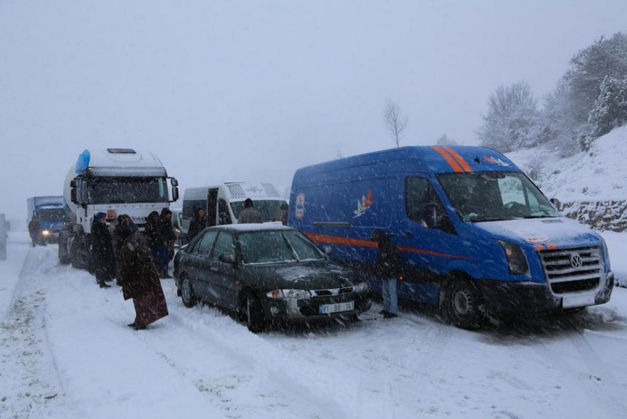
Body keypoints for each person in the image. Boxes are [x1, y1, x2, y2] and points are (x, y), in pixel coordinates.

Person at [117, 218, 169, 330]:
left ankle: (142, 320)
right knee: (146, 296)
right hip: (146, 271)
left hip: (139, 273)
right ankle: (141, 319)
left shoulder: (130, 242)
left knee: (140, 297)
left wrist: (122, 277)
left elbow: (128, 261)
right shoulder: (138, 236)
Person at [371, 229, 402, 319]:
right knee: (386, 292)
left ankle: (393, 311)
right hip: (386, 272)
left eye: (376, 239)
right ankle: (386, 308)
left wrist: (386, 269)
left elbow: (393, 260)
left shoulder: (388, 247)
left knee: (391, 292)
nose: (376, 241)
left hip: (390, 272)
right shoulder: (383, 246)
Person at [91, 212, 115, 288]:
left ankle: (103, 279)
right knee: (100, 265)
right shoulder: (97, 227)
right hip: (100, 250)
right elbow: (100, 238)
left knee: (103, 264)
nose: (104, 220)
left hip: (103, 249)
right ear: (99, 219)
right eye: (103, 219)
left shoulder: (101, 226)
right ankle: (101, 281)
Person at [157, 208, 176, 278]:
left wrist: (173, 237)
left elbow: (169, 231)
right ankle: (162, 271)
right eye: (168, 214)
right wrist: (163, 240)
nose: (169, 215)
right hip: (162, 242)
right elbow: (160, 232)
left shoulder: (167, 221)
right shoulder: (162, 221)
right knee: (163, 257)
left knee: (165, 257)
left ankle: (164, 271)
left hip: (166, 241)